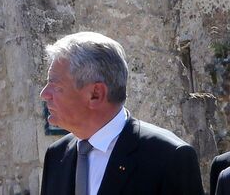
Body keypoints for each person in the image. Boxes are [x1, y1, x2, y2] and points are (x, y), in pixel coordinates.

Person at [38, 32, 204, 195]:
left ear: (96, 94)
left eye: (56, 86)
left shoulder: (168, 157)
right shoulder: (57, 156)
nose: (44, 94)